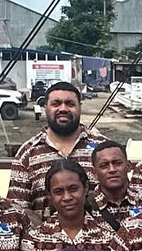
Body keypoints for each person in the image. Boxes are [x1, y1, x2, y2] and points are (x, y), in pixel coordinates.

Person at [8, 81, 105, 213]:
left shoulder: (103, 149)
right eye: (56, 103)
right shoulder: (27, 154)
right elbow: (18, 210)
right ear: (45, 108)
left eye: (70, 104)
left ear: (80, 107)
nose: (63, 109)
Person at [89, 139, 142, 231]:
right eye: (104, 165)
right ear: (94, 172)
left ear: (129, 166)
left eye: (117, 163)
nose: (112, 169)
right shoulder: (85, 208)